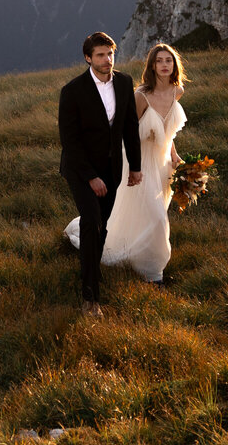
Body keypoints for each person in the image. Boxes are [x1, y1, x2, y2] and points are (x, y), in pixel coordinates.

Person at [58, 31, 142, 315]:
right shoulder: (73, 91)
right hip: (81, 169)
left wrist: (136, 167)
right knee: (91, 220)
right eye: (100, 56)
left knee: (101, 226)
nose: (107, 60)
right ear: (87, 58)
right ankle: (90, 296)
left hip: (112, 168)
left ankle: (90, 269)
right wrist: (90, 176)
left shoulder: (125, 83)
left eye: (110, 54)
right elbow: (69, 142)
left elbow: (130, 128)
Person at [98, 42, 187, 284]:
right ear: (152, 66)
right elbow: (126, 131)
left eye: (168, 60)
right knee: (158, 217)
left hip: (162, 164)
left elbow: (168, 130)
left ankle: (136, 254)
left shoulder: (177, 91)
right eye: (159, 61)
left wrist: (174, 155)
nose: (164, 65)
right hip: (138, 161)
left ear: (174, 64)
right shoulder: (141, 96)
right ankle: (153, 273)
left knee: (148, 214)